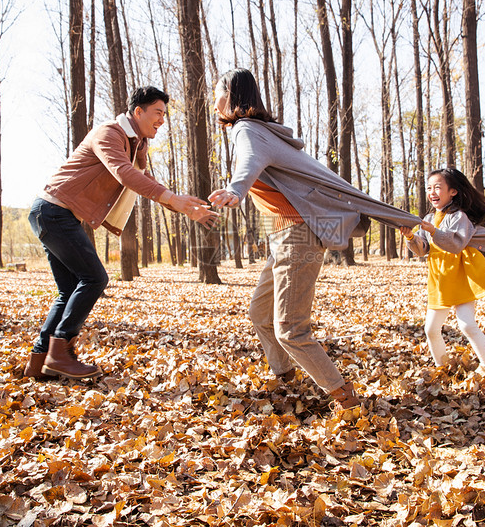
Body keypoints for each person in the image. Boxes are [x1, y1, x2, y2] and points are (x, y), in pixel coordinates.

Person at [208, 69, 422, 410]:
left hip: (297, 234)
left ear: (231, 95)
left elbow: (248, 162)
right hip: (283, 234)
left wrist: (236, 189)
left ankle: (346, 398)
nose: (213, 100)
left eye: (216, 92)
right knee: (260, 314)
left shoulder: (247, 129)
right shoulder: (264, 131)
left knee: (290, 328)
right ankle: (287, 380)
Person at [24, 87, 217, 380]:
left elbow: (143, 177)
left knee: (69, 289)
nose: (162, 120)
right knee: (95, 278)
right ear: (138, 112)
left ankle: (40, 362)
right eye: (158, 113)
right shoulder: (109, 134)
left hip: (57, 214)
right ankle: (60, 349)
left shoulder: (136, 143)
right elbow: (125, 174)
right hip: (53, 211)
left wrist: (184, 207)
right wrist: (172, 199)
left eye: (165, 114)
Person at [400, 168, 485, 369]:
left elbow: (456, 244)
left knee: (467, 324)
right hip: (439, 279)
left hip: (460, 275)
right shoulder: (428, 219)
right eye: (429, 188)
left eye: (438, 187)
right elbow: (423, 249)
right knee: (431, 329)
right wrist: (411, 237)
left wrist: (434, 231)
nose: (432, 192)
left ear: (453, 191)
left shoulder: (459, 216)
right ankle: (442, 367)